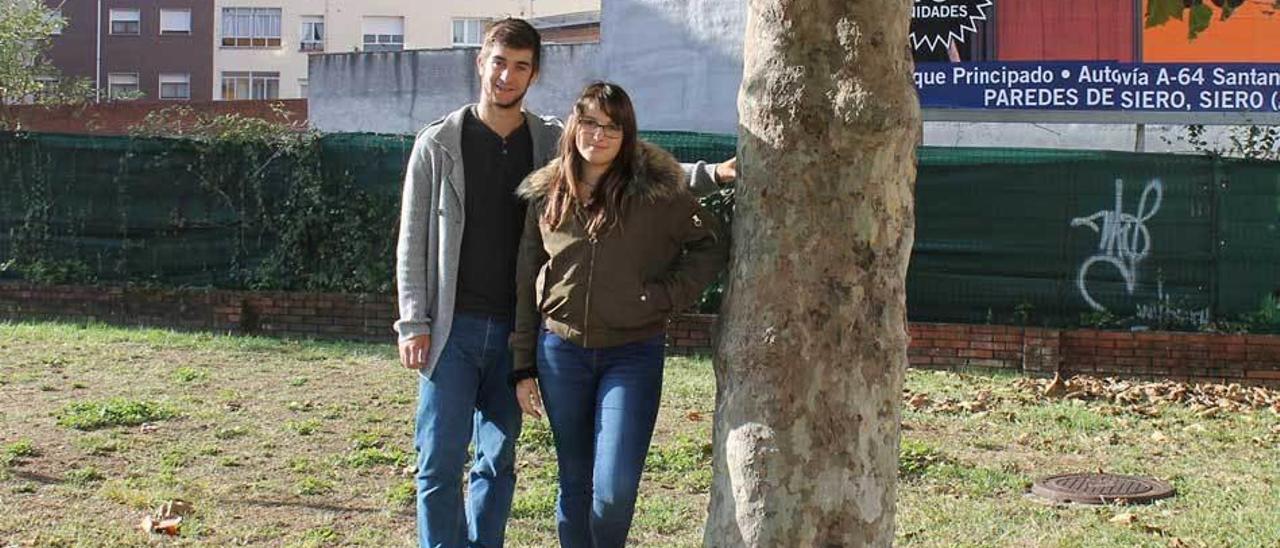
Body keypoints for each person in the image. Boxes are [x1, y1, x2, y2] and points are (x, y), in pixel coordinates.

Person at [394, 19, 735, 547]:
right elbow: (412, 237)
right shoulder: (438, 144)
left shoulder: (549, 139)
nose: (507, 76)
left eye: (521, 66)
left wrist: (710, 175)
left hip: (516, 326)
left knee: (498, 458)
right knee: (438, 461)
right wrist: (413, 320)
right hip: (452, 329)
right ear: (480, 62)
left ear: (533, 74)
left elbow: (632, 161)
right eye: (499, 62)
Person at [509, 82, 729, 547]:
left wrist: (661, 296)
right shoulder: (548, 191)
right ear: (574, 126)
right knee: (574, 482)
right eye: (590, 122)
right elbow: (526, 280)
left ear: (627, 134)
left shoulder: (655, 191)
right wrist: (522, 364)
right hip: (560, 353)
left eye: (613, 126)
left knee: (613, 490)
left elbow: (708, 244)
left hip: (631, 355)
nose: (599, 134)